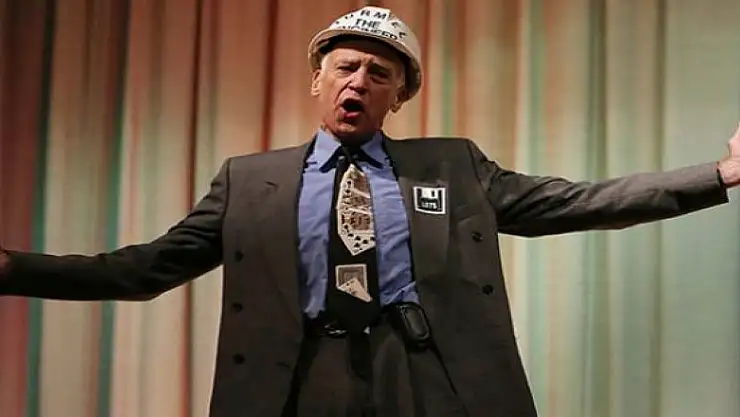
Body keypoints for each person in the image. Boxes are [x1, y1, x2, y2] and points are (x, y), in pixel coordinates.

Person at [0, 6, 738, 417]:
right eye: (345, 68)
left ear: (399, 96)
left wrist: (721, 174)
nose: (358, 81)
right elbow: (143, 269)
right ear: (318, 81)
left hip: (426, 371)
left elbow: (577, 202)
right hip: (300, 376)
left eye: (378, 73)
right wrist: (11, 269)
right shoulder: (249, 180)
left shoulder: (452, 166)